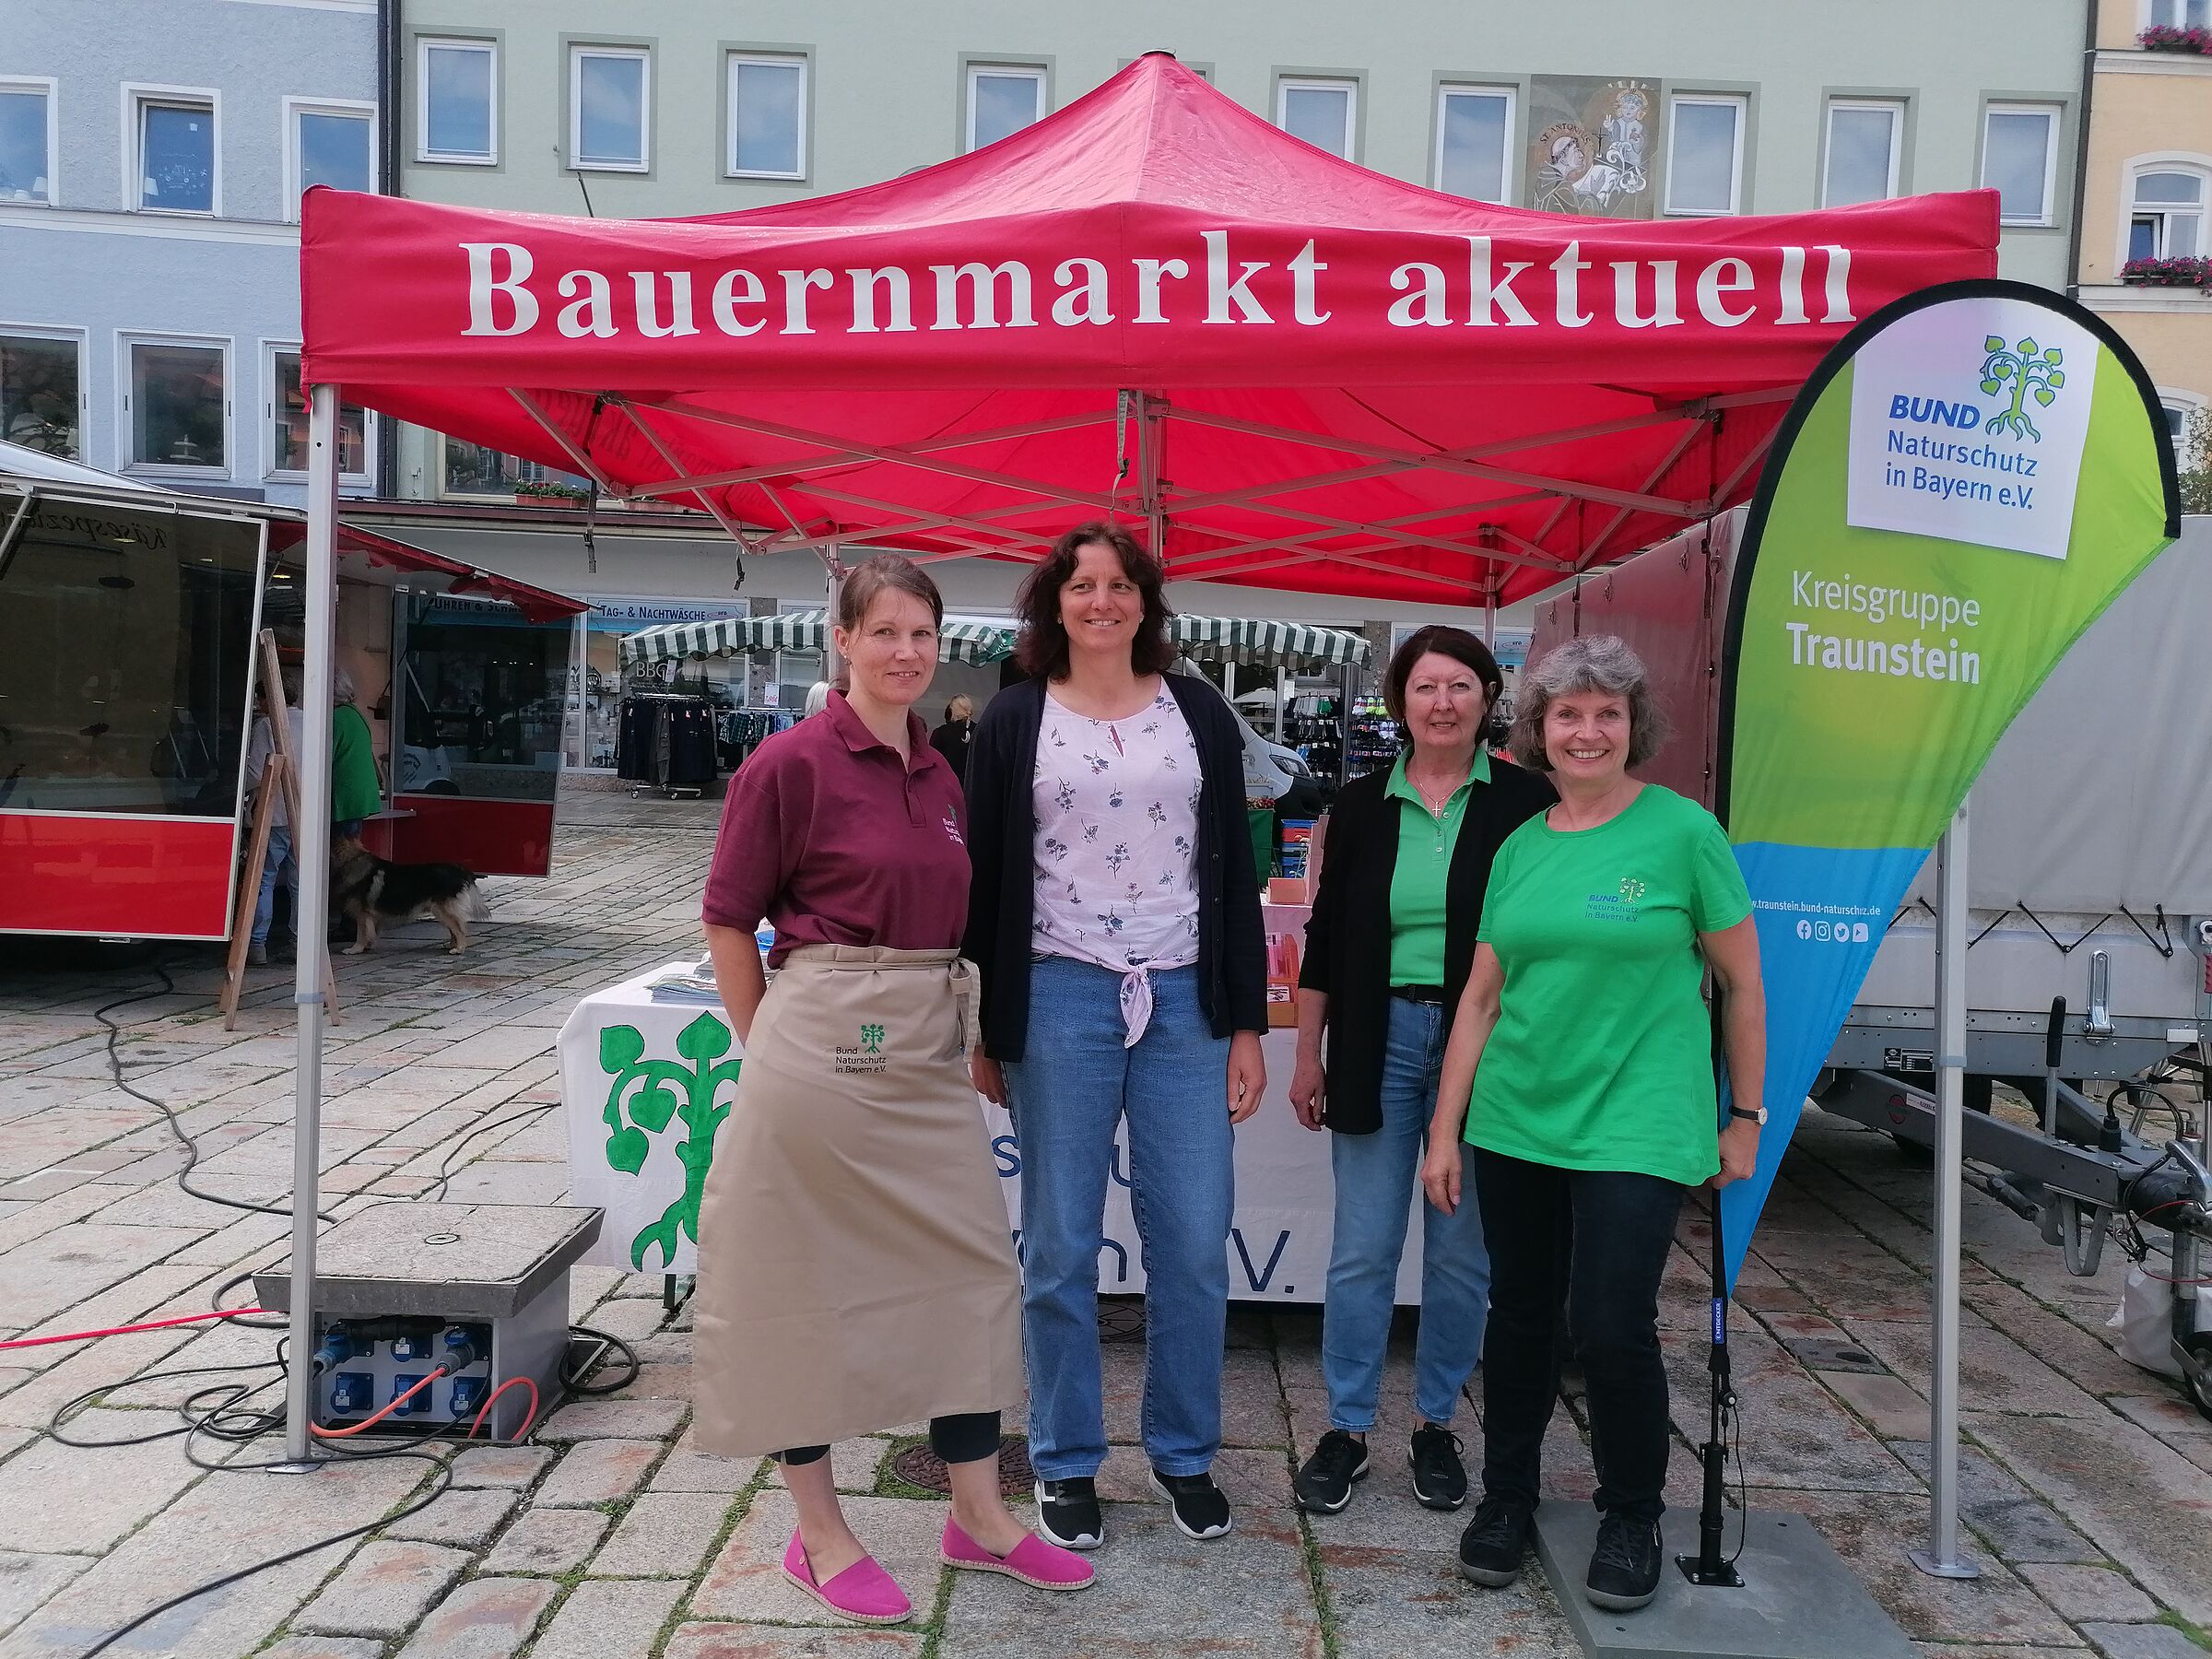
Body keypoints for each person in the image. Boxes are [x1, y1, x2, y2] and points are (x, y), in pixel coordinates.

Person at [693, 554, 1092, 1627]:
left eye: (921, 633)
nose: (907, 652)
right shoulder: (789, 763)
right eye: (885, 634)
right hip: (816, 1043)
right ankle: (819, 1535)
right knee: (799, 1289)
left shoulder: (942, 770)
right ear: (844, 642)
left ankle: (980, 1516)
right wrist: (764, 1045)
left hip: (919, 1048)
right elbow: (730, 915)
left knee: (969, 1273)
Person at [1420, 635, 1766, 1614]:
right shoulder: (1520, 846)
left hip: (1639, 1119)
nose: (1586, 730)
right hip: (1516, 1117)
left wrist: (1744, 1115)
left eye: (1606, 713)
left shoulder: (1683, 833)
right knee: (1520, 1319)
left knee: (1612, 1323)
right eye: (1567, 713)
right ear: (1539, 729)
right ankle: (1506, 1497)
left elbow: (1741, 984)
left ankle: (1630, 1512)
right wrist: (1447, 1130)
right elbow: (1482, 1000)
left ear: (1633, 726)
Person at [965, 520, 1266, 1551]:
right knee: (1056, 1245)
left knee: (1190, 1239)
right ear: (1054, 604)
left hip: (1183, 998)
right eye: (1083, 585)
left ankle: (1183, 1454)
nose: (1102, 601)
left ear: (1147, 602)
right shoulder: (1012, 721)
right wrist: (983, 1026)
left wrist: (1245, 1026)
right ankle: (1065, 1458)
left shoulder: (1200, 716)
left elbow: (1234, 873)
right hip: (1058, 994)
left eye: (1121, 584)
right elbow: (984, 886)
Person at [1288, 627, 1553, 1517]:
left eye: (1460, 687)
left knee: (1462, 1251)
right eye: (1425, 687)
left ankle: (1437, 1423)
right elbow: (1323, 942)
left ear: (1488, 698)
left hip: (1487, 1050)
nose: (1442, 704)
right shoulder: (1359, 806)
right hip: (1376, 1038)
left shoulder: (1527, 803)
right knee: (1363, 1248)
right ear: (1401, 701)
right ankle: (1348, 1427)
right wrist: (1305, 1054)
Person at [241, 666, 307, 966]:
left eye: (260, 698)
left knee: (264, 878)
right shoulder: (312, 721)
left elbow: (257, 772)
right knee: (300, 882)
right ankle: (299, 942)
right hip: (307, 814)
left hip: (275, 810)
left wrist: (237, 782)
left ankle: (257, 945)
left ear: (268, 699)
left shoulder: (267, 725)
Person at [330, 667, 382, 840]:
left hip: (343, 799)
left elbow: (322, 761)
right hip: (358, 797)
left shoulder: (335, 718)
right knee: (351, 851)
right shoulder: (355, 714)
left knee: (339, 855)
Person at [930, 694, 976, 785]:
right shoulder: (979, 731)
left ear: (952, 711)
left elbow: (931, 761)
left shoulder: (941, 732)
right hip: (973, 786)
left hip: (946, 785)